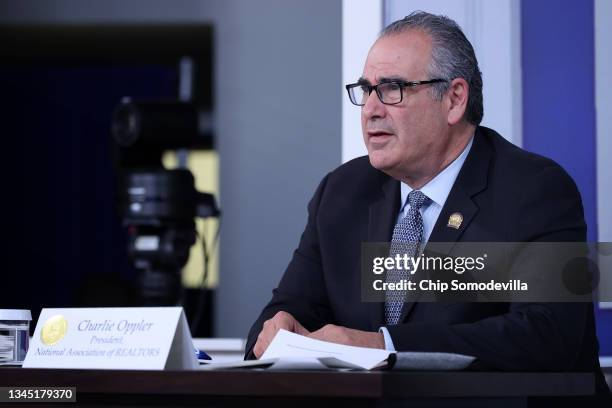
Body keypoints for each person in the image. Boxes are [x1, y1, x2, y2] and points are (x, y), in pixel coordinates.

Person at [245, 11, 610, 404]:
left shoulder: (534, 189)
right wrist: (276, 332)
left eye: (392, 89)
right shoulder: (343, 192)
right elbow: (281, 316)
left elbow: (546, 335)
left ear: (454, 99)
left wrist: (381, 345)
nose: (370, 110)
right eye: (366, 90)